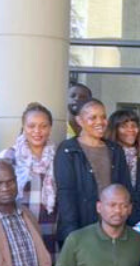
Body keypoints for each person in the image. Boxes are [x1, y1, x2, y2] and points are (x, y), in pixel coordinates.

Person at [55, 98, 131, 243]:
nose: (100, 122)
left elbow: (125, 188)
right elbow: (66, 194)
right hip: (82, 228)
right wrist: (71, 235)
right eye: (92, 117)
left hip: (114, 227)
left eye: (103, 117)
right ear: (79, 120)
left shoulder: (115, 150)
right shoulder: (67, 150)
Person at [0, 103, 59, 257]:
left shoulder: (60, 157)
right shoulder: (7, 156)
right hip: (16, 229)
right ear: (23, 127)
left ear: (50, 128)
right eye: (31, 126)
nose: (37, 131)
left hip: (50, 230)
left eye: (43, 126)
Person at [108, 108, 140, 190]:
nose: (130, 130)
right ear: (114, 130)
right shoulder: (107, 154)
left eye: (134, 126)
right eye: (124, 126)